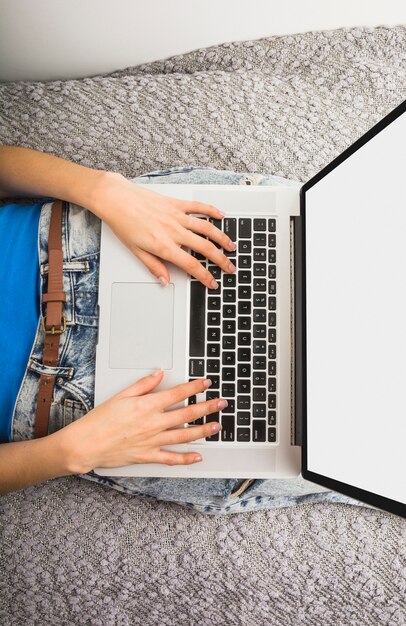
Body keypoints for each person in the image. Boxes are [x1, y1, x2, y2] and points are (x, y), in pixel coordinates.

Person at [0, 146, 357, 514]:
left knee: (348, 248)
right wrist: (70, 453)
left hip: (98, 234)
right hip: (81, 405)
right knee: (347, 449)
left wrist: (102, 188)